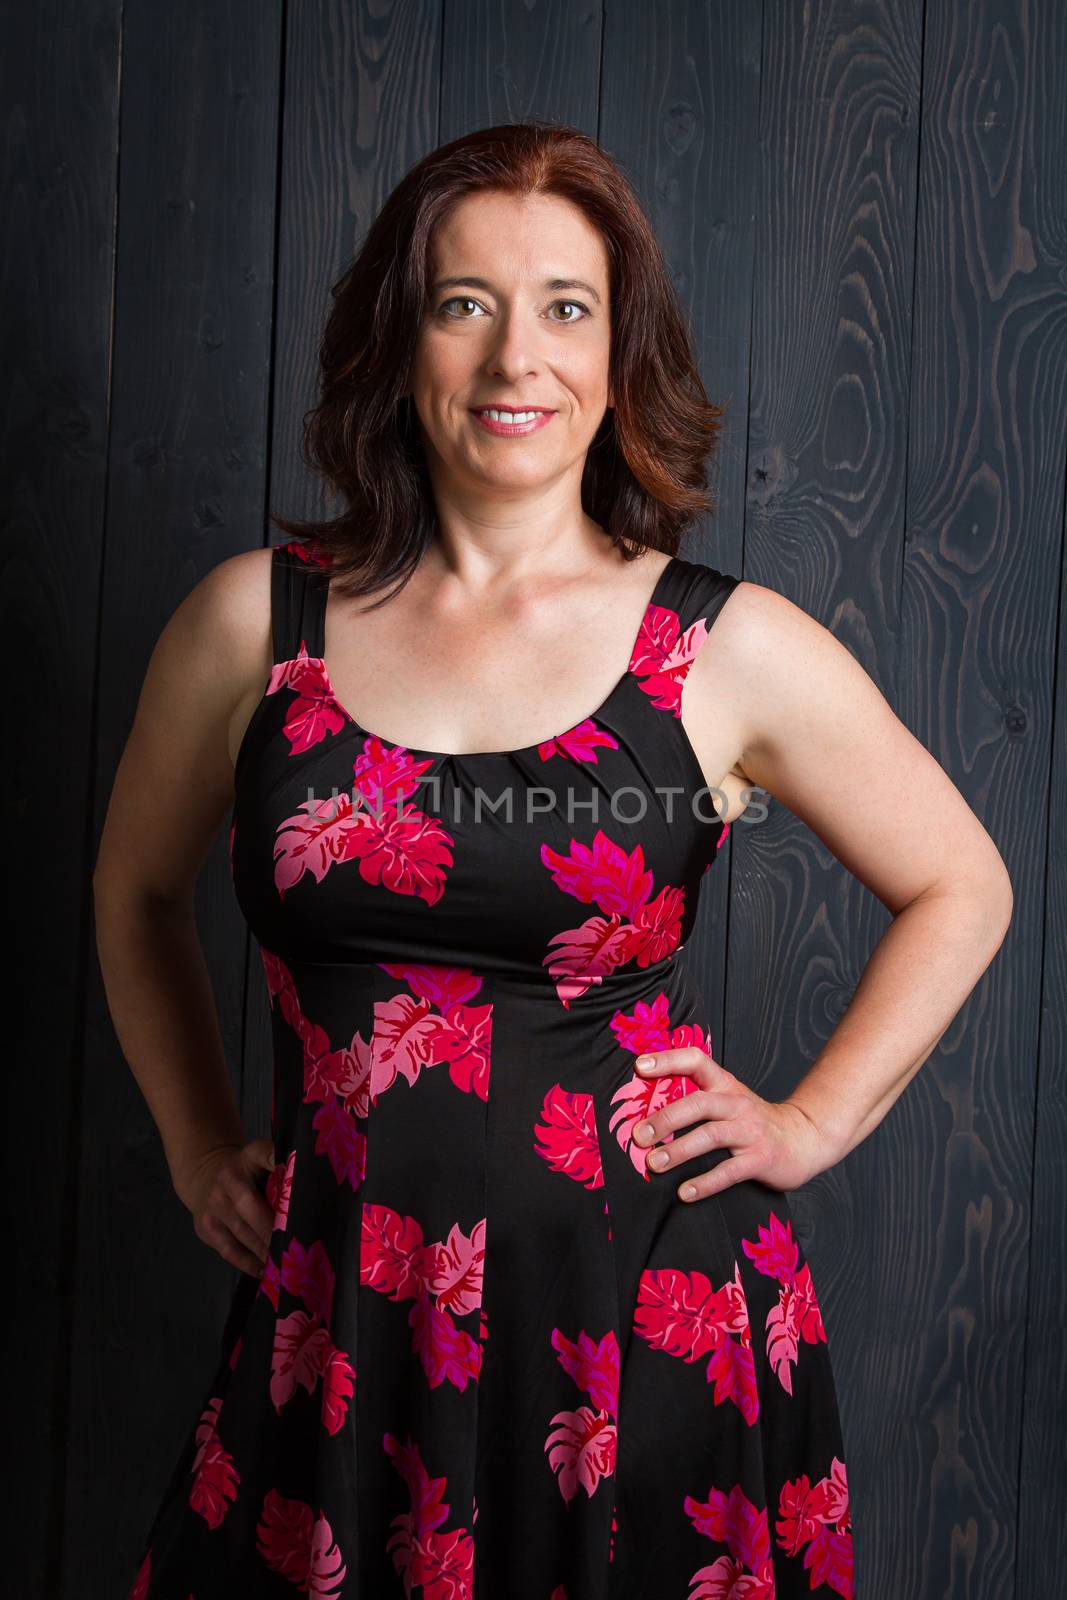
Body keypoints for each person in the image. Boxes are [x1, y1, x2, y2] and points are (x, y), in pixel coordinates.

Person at [95, 122, 1012, 1600]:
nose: (518, 356)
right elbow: (133, 895)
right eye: (467, 303)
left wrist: (811, 1123)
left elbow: (964, 884)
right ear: (402, 342)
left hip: (642, 1340)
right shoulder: (250, 629)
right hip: (341, 1332)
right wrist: (201, 1140)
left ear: (618, 349)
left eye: (566, 308)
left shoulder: (722, 649)